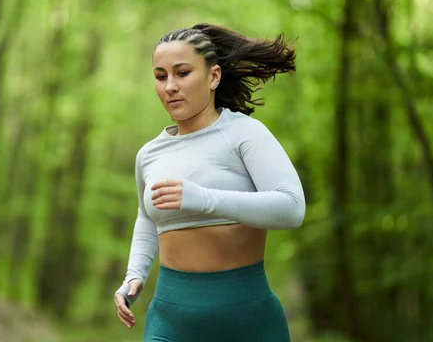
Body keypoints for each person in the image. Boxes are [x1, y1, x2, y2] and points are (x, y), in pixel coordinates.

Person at [113, 23, 306, 341]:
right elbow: (147, 218)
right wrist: (134, 275)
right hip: (171, 321)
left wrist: (203, 198)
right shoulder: (149, 154)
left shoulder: (244, 133)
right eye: (161, 77)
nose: (170, 86)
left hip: (248, 322)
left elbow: (292, 207)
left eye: (182, 73)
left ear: (214, 76)